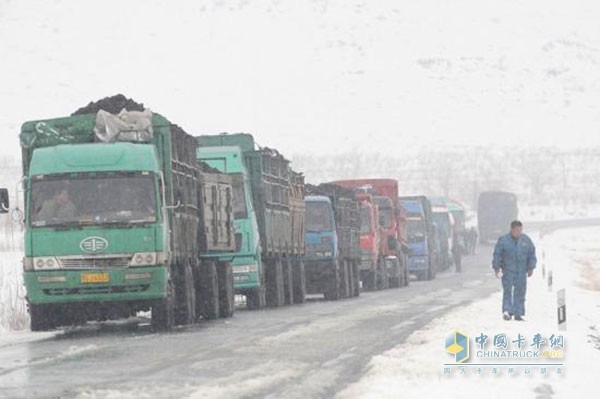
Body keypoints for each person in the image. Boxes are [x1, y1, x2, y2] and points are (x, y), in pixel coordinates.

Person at [492, 220, 537, 321]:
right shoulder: (503, 240)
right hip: (508, 271)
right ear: (511, 229)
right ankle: (507, 311)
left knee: (520, 292)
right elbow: (497, 254)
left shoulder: (526, 240)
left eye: (520, 230)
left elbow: (531, 254)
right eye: (517, 230)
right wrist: (496, 267)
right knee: (507, 291)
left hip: (521, 271)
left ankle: (518, 313)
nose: (519, 232)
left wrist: (531, 267)